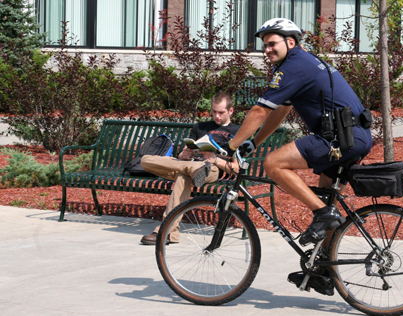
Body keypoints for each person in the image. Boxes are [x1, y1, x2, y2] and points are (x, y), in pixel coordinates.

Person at [228, 18, 373, 247]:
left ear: (291, 42)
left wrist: (232, 145)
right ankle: (325, 271)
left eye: (272, 43)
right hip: (353, 137)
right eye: (265, 45)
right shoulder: (304, 61)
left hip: (339, 138)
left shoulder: (294, 66)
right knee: (326, 201)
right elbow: (279, 111)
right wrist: (254, 142)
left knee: (274, 163)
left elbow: (259, 111)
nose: (267, 50)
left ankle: (324, 213)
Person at [140, 92, 239, 245]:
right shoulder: (200, 127)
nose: (217, 116)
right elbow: (184, 152)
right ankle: (191, 169)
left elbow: (236, 169)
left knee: (185, 175)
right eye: (214, 112)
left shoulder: (237, 132)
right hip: (189, 165)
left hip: (210, 169)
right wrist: (183, 155)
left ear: (231, 111)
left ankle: (166, 231)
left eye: (221, 112)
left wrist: (215, 159)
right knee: (146, 160)